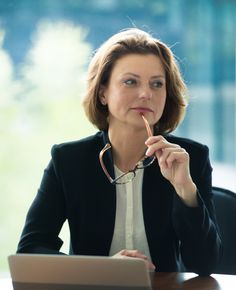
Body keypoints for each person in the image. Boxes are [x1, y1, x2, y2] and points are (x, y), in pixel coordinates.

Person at [16, 28, 222, 275]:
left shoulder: (190, 158)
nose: (146, 93)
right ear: (103, 93)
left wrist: (185, 190)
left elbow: (206, 264)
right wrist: (104, 269)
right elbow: (30, 250)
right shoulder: (68, 161)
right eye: (130, 82)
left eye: (157, 84)